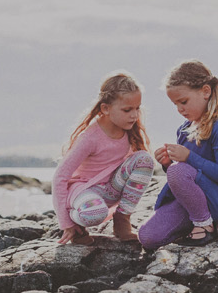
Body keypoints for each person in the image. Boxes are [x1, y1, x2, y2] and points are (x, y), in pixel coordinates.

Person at [137, 60, 218, 249]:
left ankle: (206, 228)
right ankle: (202, 221)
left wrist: (188, 158)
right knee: (147, 237)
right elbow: (184, 175)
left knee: (179, 172)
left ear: (205, 91)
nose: (179, 109)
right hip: (192, 202)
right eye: (175, 104)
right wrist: (168, 163)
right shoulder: (183, 130)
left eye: (183, 102)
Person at [52, 72, 156, 245]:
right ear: (105, 108)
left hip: (111, 188)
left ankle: (122, 220)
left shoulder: (128, 129)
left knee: (144, 159)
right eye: (127, 110)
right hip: (84, 191)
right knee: (95, 213)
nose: (134, 115)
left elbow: (134, 168)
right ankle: (77, 226)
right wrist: (66, 223)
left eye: (137, 108)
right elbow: (60, 178)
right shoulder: (89, 138)